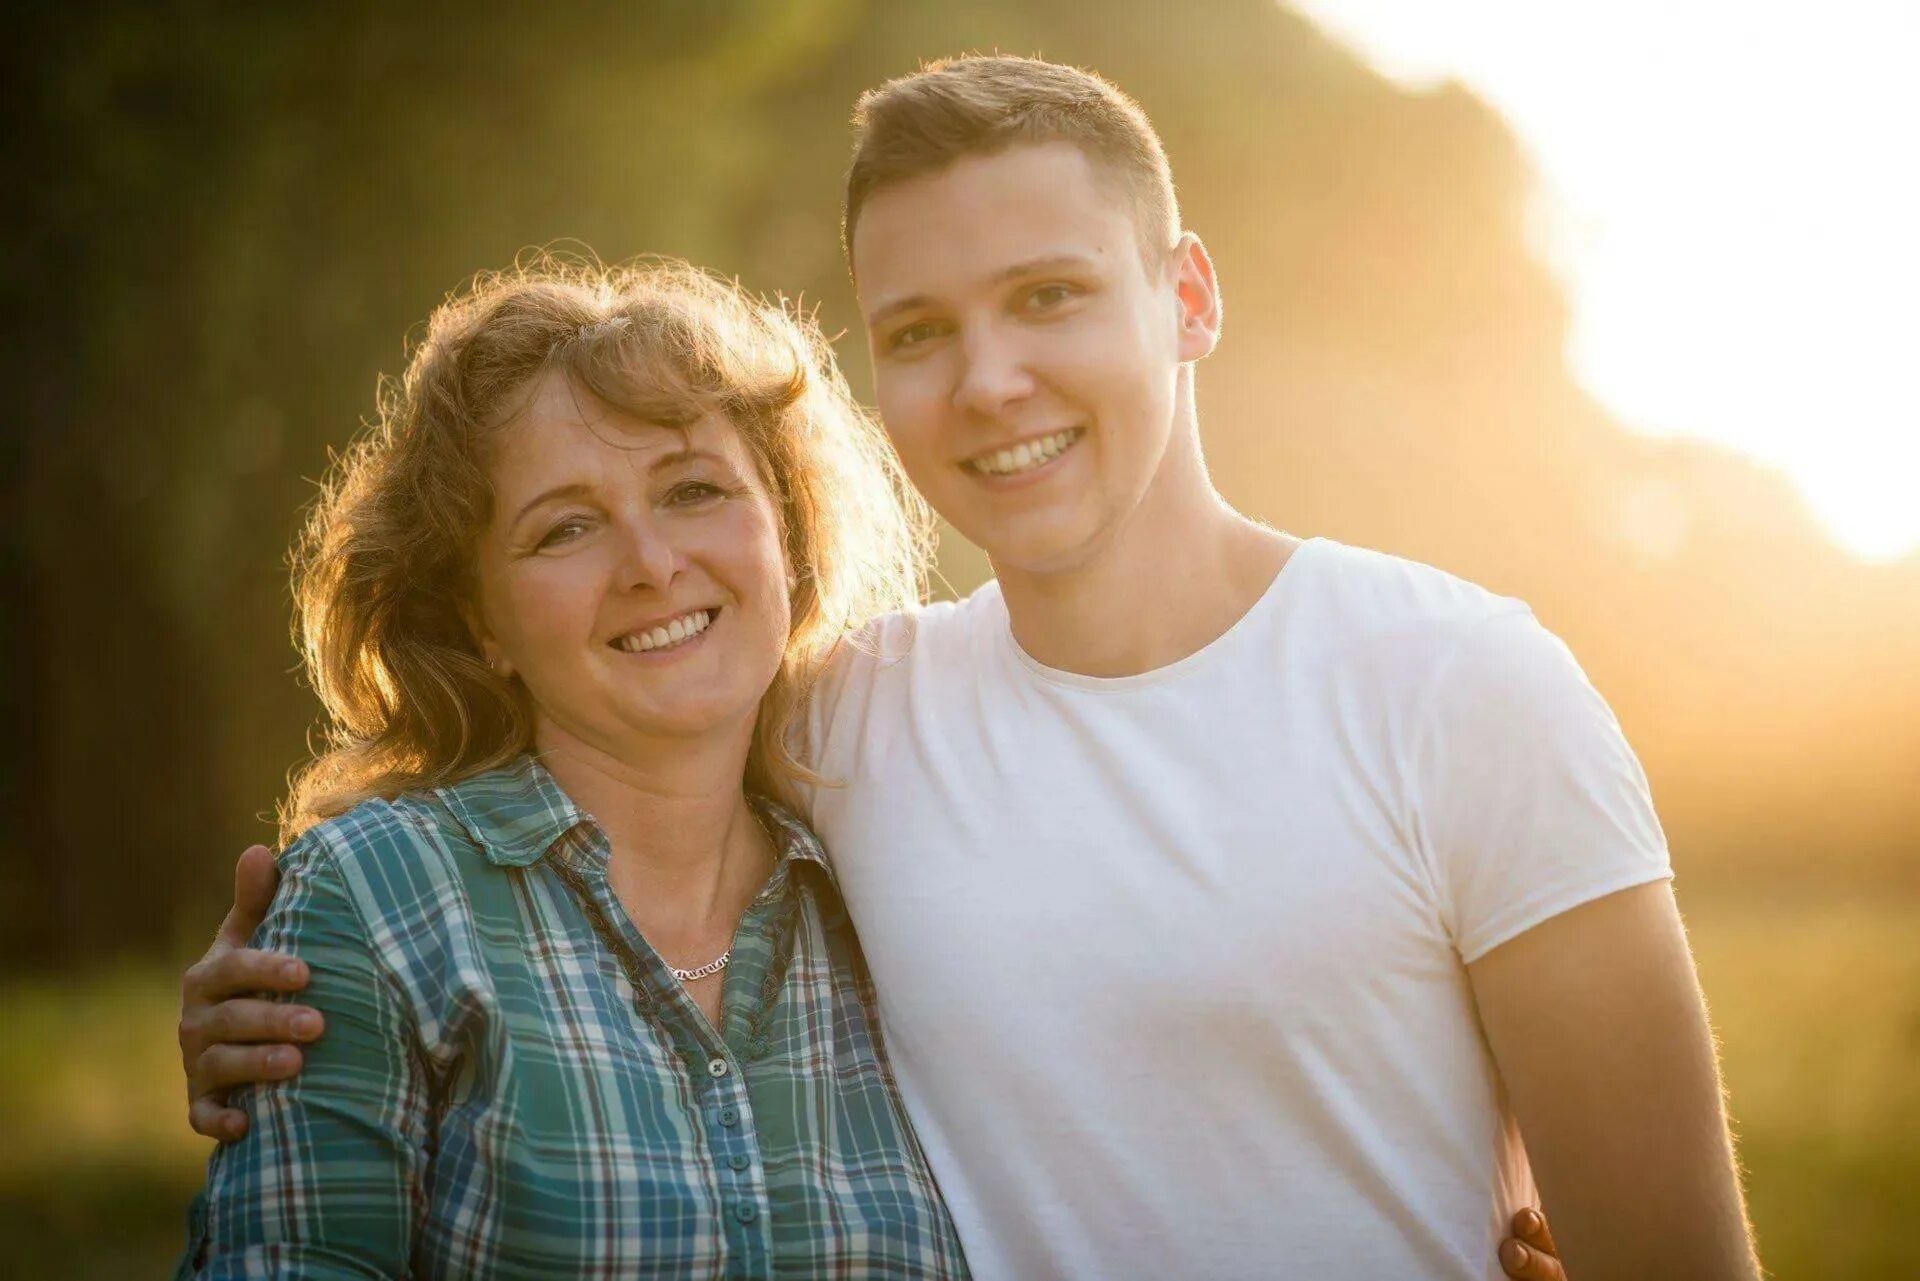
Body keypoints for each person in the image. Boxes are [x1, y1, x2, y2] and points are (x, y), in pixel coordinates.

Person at [178, 55, 1757, 1279]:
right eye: (919, 330)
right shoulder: (850, 720)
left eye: (1051, 297)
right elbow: (580, 757)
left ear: (1187, 297)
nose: (992, 380)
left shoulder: (1464, 689)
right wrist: (286, 989)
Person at [174, 259, 969, 1276]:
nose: (650, 562)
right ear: (481, 620)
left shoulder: (894, 903)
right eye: (568, 528)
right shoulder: (376, 901)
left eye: (692, 490)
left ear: (788, 532)